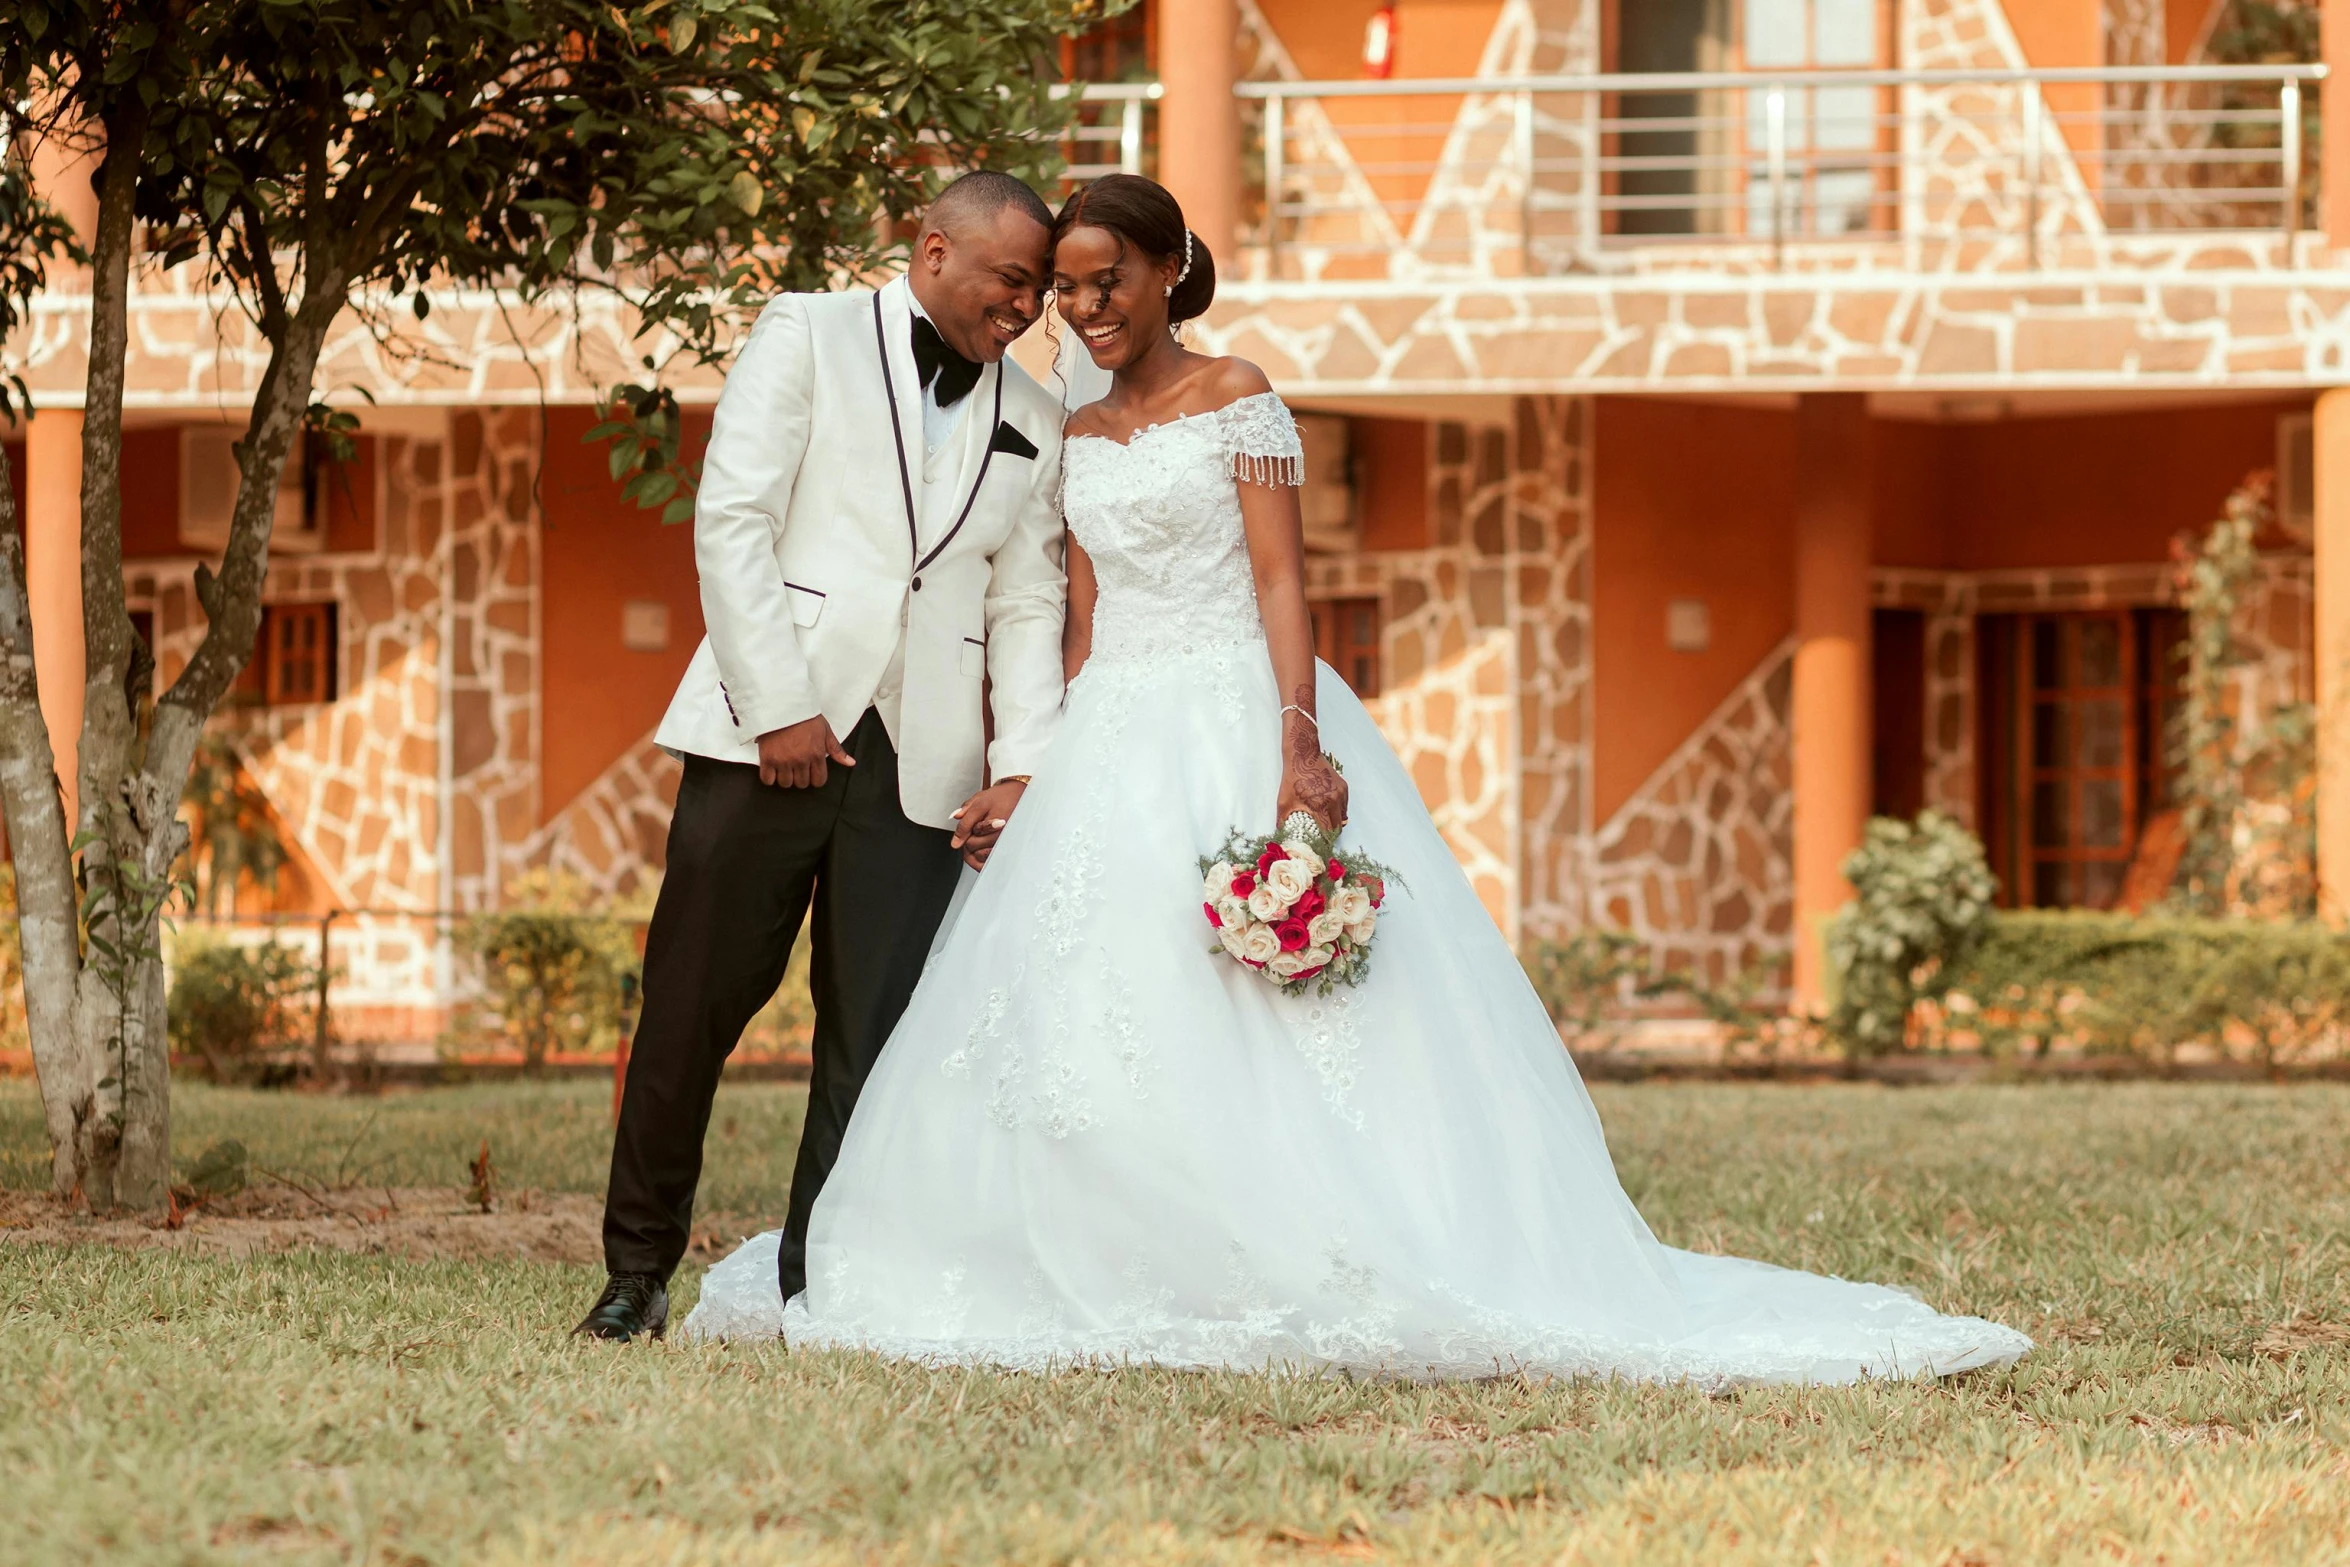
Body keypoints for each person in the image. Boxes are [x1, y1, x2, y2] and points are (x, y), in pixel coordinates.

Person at [684, 175, 2032, 1385]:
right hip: (1109, 736)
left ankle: (1319, 1241)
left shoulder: (1240, 397)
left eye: (1105, 280)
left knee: (1274, 1004)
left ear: (1167, 273)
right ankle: (1085, 1246)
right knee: (1074, 1004)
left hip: (1236, 710)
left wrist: (1294, 741)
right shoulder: (1074, 433)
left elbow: (1282, 577)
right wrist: (1030, 770)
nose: (1080, 307)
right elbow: (1075, 621)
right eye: (1063, 286)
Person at [574, 171, 1070, 1341]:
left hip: (925, 767)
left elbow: (1027, 601)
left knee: (874, 1043)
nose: (1027, 309)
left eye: (1040, 292)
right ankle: (634, 1273)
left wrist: (1023, 763)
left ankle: (820, 1287)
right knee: (689, 1013)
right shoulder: (806, 328)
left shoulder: (1039, 421)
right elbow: (732, 517)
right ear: (935, 248)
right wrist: (778, 707)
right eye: (1012, 280)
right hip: (767, 737)